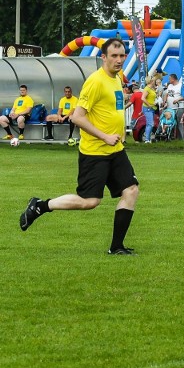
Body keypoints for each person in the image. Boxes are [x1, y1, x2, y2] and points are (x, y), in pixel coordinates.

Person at [19, 38, 140, 255]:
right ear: (103, 57)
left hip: (115, 150)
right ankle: (40, 206)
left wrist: (120, 131)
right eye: (114, 56)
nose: (119, 60)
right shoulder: (95, 82)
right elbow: (77, 117)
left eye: (122, 55)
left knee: (131, 190)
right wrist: (104, 136)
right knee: (89, 201)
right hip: (95, 152)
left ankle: (117, 247)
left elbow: (114, 109)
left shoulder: (116, 78)